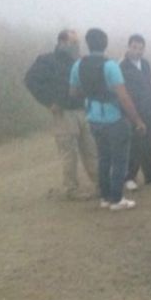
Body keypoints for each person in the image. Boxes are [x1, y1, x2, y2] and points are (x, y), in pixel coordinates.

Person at [69, 28, 147, 211]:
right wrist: (137, 121)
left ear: (88, 44)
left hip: (94, 118)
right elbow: (123, 96)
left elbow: (73, 93)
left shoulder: (78, 65)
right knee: (119, 160)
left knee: (103, 158)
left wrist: (91, 96)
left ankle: (105, 197)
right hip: (114, 118)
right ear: (105, 44)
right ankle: (117, 199)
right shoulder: (110, 66)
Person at [24, 29, 98, 200]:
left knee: (91, 149)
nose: (76, 46)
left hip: (83, 110)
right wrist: (48, 101)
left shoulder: (78, 61)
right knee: (69, 153)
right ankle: (71, 189)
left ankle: (101, 184)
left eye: (77, 43)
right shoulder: (47, 60)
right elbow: (30, 80)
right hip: (64, 113)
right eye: (73, 42)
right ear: (61, 42)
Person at [120, 34, 151, 191]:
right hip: (133, 111)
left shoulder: (145, 64)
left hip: (148, 108)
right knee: (134, 144)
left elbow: (150, 81)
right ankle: (129, 177)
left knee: (148, 143)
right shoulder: (121, 66)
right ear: (128, 47)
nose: (137, 51)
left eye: (141, 48)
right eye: (134, 47)